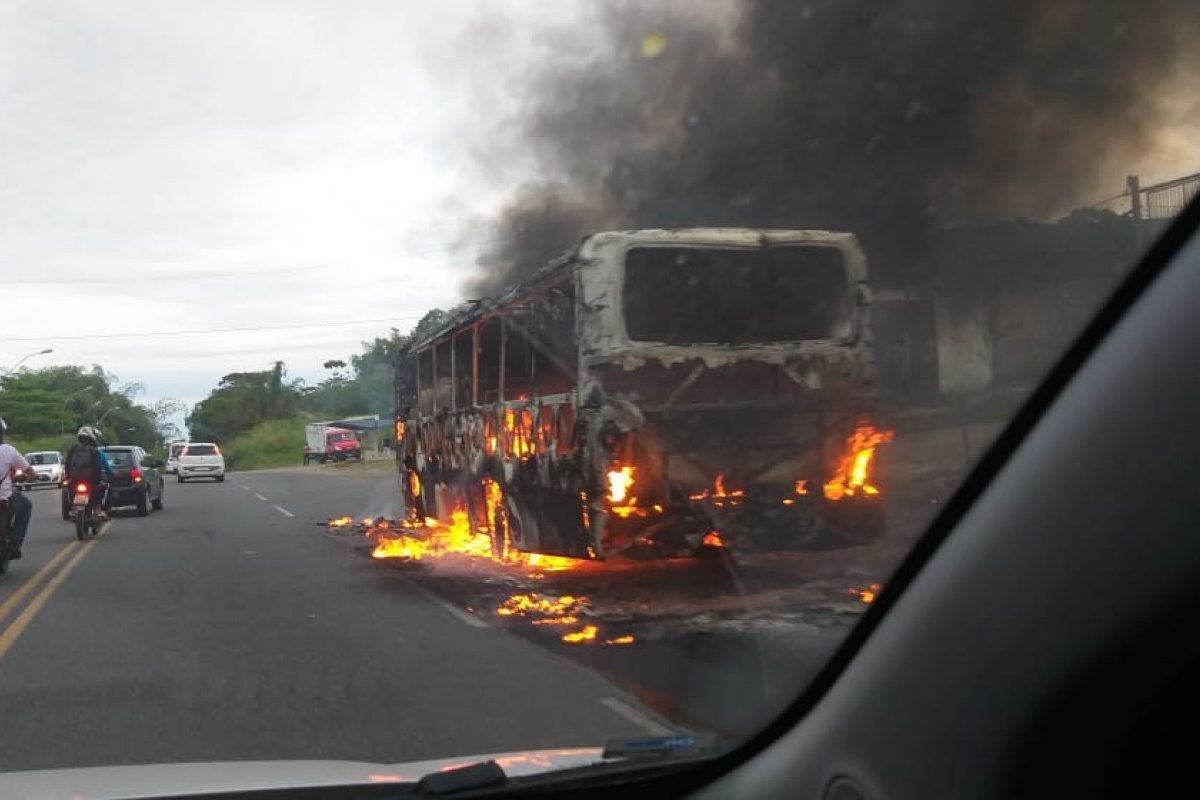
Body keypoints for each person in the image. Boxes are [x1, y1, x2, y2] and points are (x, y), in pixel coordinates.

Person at [0, 417, 35, 559]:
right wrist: (32, 477)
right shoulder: (8, 450)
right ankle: (14, 545)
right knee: (26, 506)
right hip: (5, 497)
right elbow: (30, 472)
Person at [65, 426, 114, 518]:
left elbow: (67, 465)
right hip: (92, 480)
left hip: (75, 479)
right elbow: (100, 467)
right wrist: (107, 477)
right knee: (106, 487)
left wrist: (69, 477)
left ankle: (73, 508)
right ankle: (99, 509)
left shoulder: (73, 449)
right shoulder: (96, 451)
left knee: (68, 489)